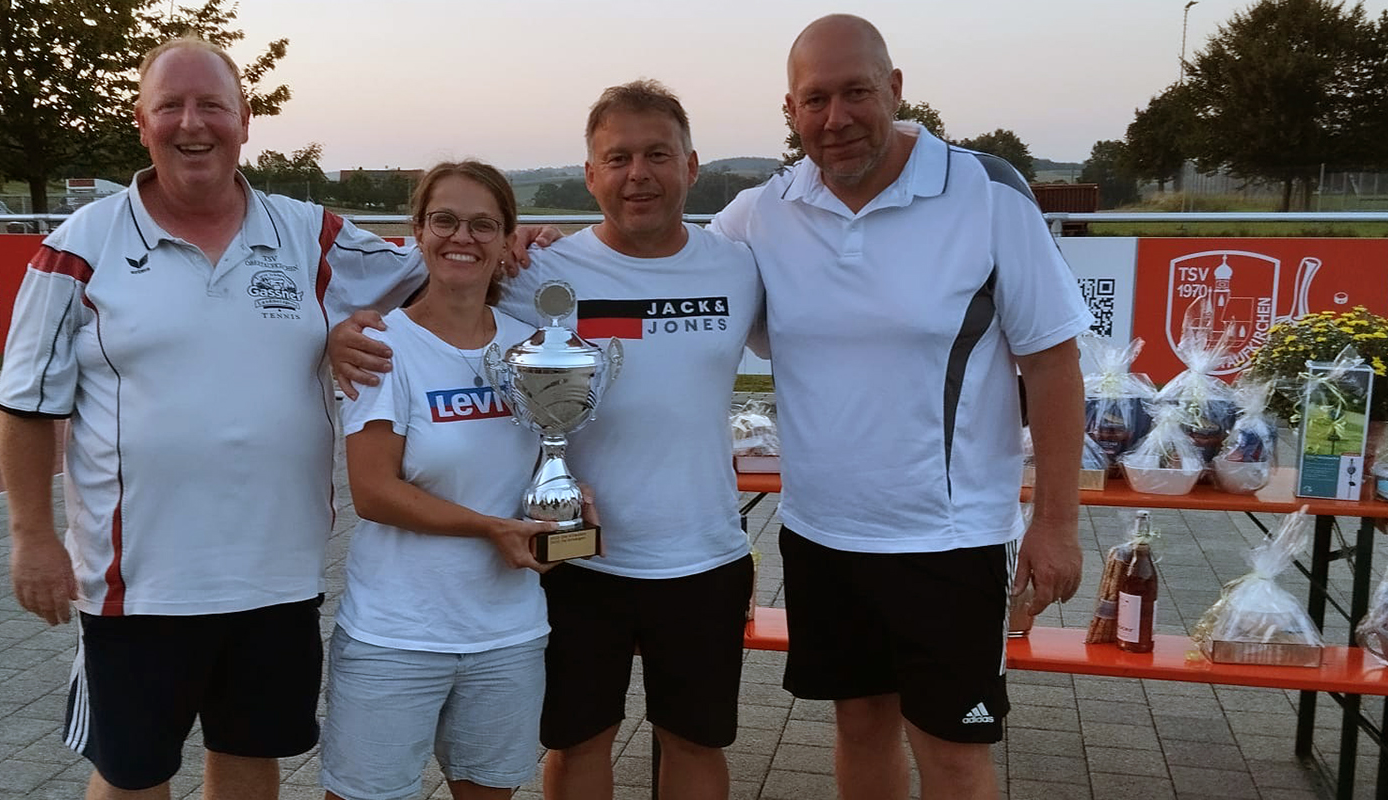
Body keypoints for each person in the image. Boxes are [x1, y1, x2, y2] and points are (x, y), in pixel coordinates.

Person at [0, 37, 432, 800]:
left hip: (277, 576)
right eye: (170, 106)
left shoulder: (309, 234)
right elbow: (26, 406)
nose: (192, 123)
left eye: (212, 106)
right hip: (138, 584)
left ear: (245, 120)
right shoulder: (80, 247)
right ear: (141, 123)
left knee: (249, 759)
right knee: (132, 776)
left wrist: (524, 248)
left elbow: (439, 276)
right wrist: (31, 537)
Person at [332, 80, 762, 800]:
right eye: (617, 158)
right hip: (572, 558)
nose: (638, 174)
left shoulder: (739, 266)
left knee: (695, 740)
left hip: (704, 556)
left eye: (658, 154)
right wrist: (339, 334)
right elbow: (443, 295)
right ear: (591, 174)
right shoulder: (540, 272)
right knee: (576, 741)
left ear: (691, 166)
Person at [708, 14, 1091, 800]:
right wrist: (538, 253)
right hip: (820, 533)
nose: (836, 118)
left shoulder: (986, 193)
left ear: (895, 88)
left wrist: (1056, 523)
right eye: (815, 100)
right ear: (790, 110)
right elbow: (660, 275)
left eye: (856, 93)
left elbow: (1054, 364)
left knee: (951, 753)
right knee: (858, 726)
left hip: (949, 540)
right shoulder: (764, 211)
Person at [322, 160, 558, 800]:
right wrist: (491, 528)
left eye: (483, 224)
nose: (463, 237)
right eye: (445, 220)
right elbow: (374, 492)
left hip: (507, 632)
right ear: (419, 232)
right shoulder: (382, 344)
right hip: (397, 632)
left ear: (506, 238)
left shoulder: (531, 347)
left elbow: (547, 458)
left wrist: (570, 500)